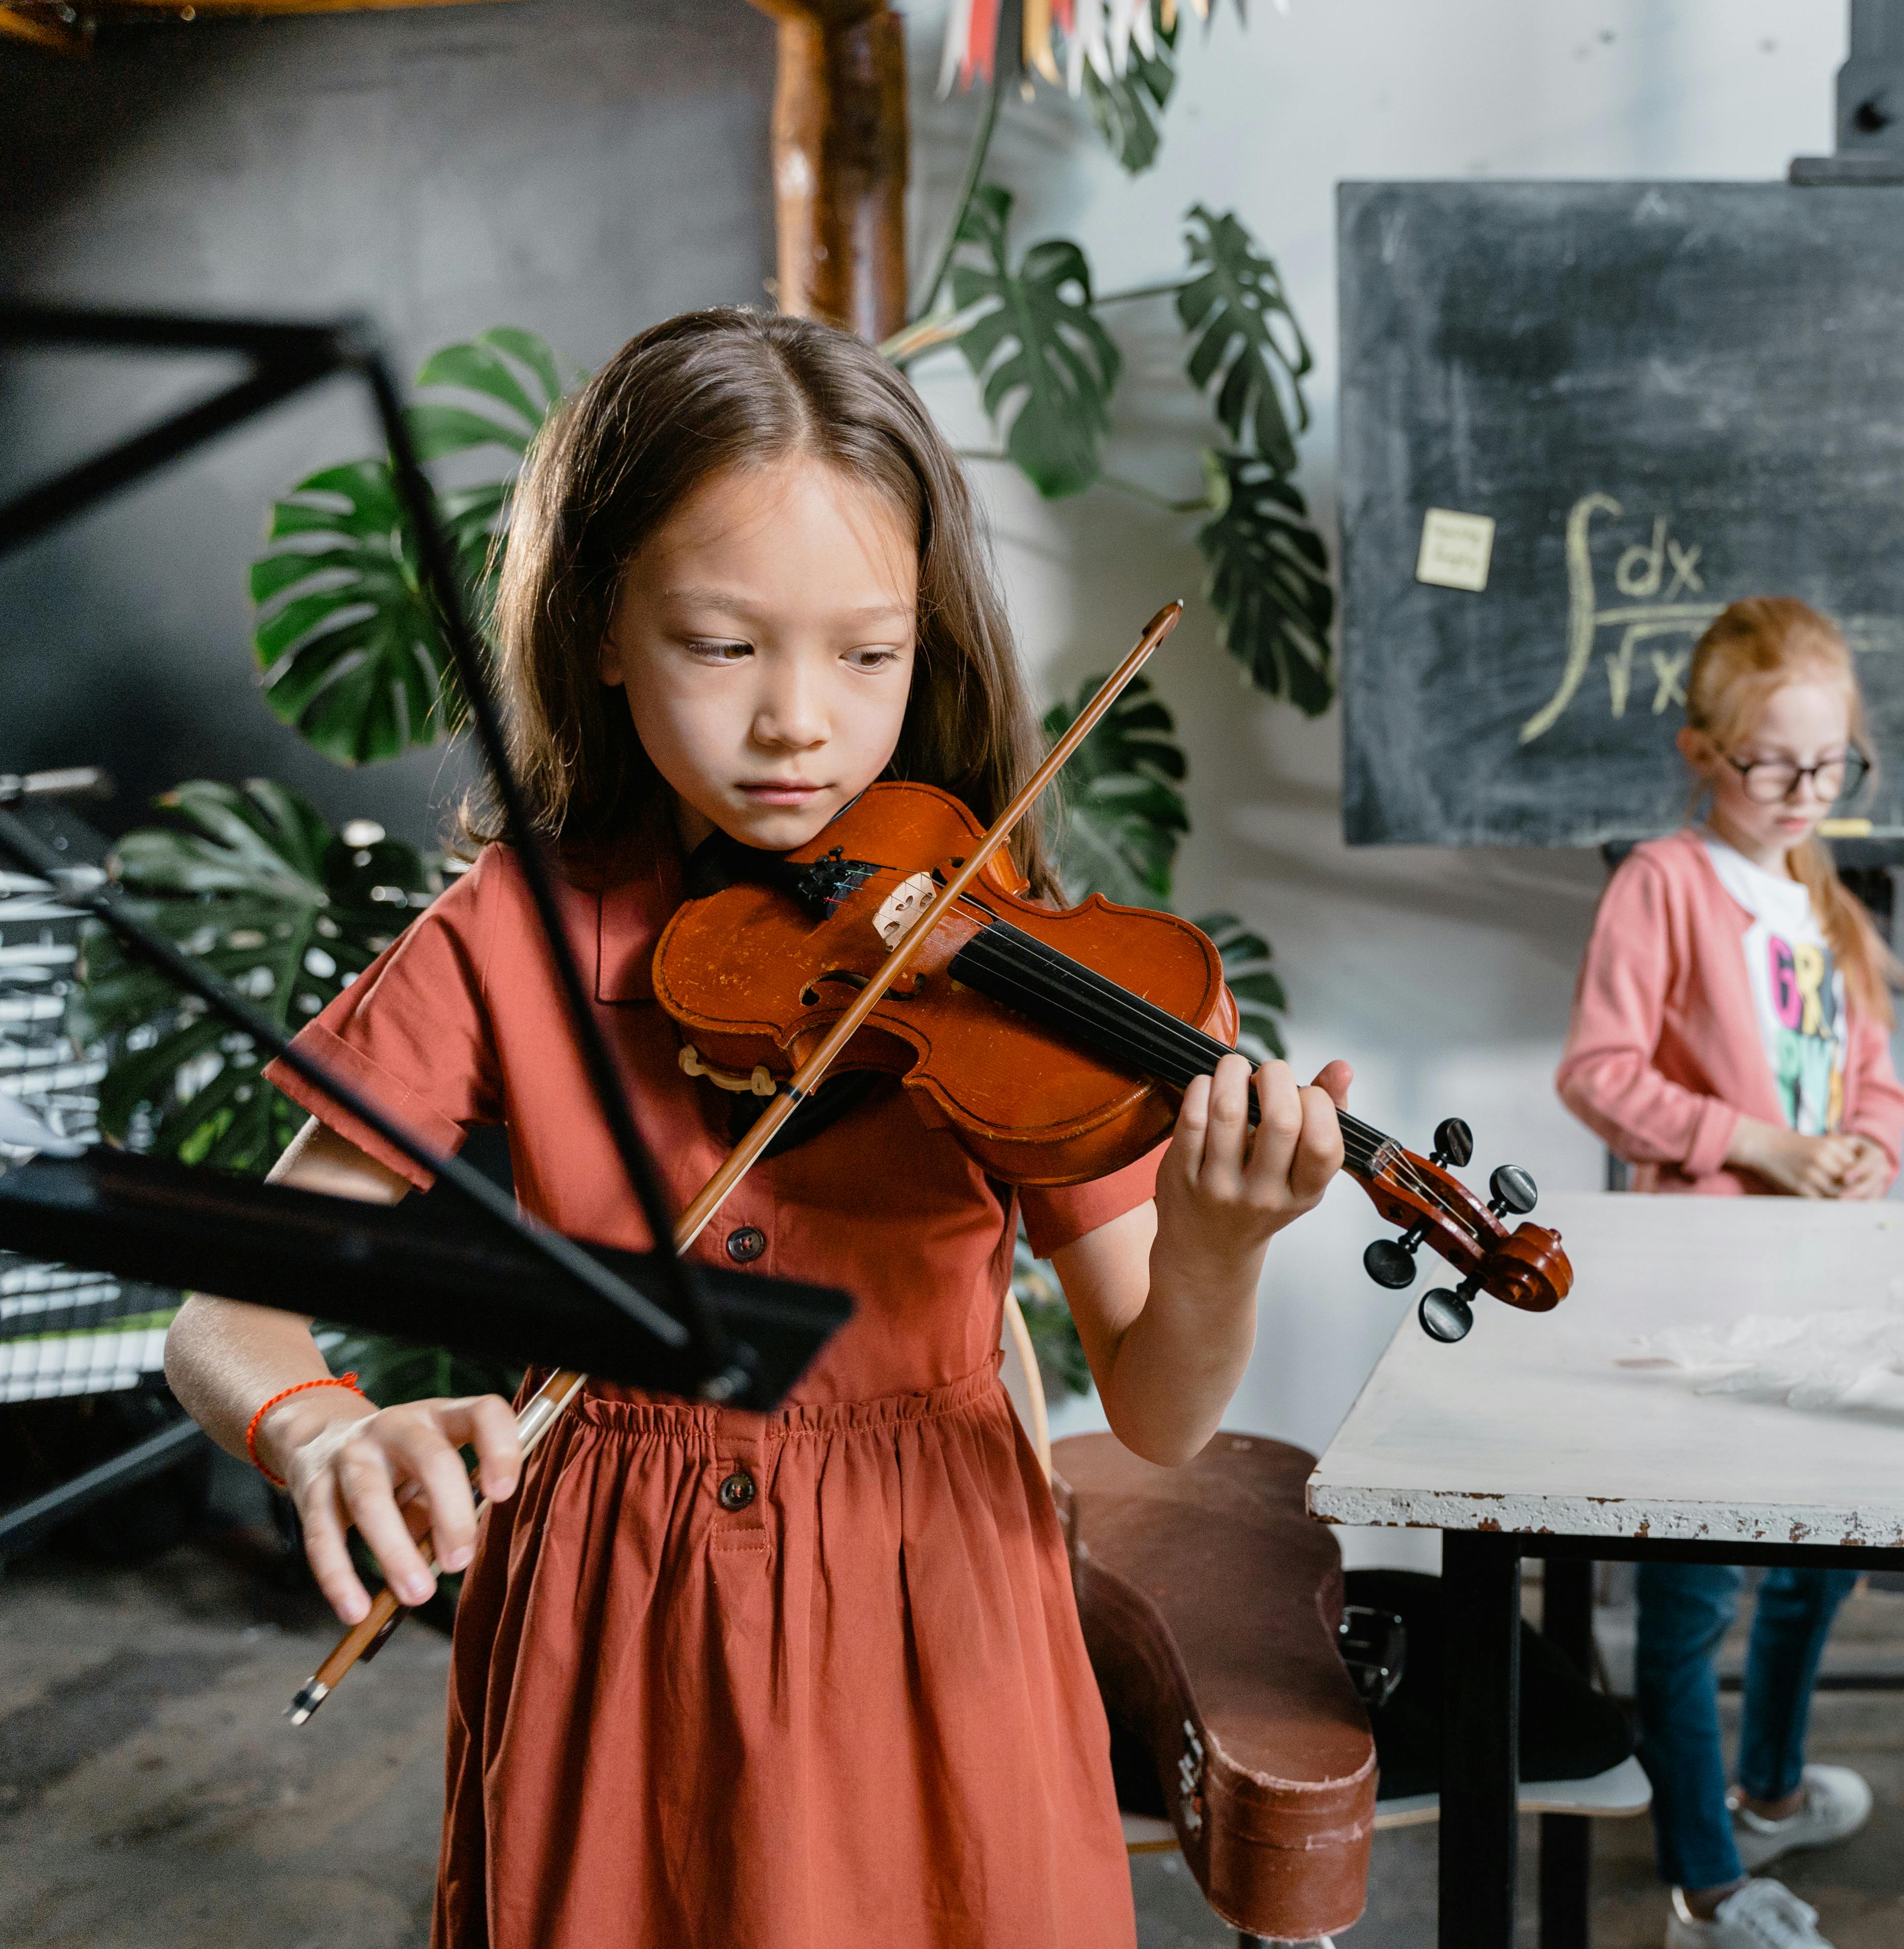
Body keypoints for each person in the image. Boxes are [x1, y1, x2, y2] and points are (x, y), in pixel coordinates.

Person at [159, 309, 1350, 1947]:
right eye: (725, 645)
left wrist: (1218, 1250)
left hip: (942, 1606)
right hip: (617, 1618)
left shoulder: (1004, 962)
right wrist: (317, 1425)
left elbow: (1154, 1406)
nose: (801, 719)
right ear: (600, 630)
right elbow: (221, 1304)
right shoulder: (512, 934)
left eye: (868, 655)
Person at [1555, 597, 1904, 1949]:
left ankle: (1764, 1789)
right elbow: (1597, 1072)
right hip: (1706, 1287)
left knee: (1817, 1559)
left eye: (1830, 767)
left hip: (1824, 1285)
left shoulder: (1819, 887)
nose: (1805, 792)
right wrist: (1754, 1139)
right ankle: (1705, 1880)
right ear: (1701, 751)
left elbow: (1875, 1075)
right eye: (1773, 766)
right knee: (1694, 1584)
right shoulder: (1664, 880)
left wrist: (1867, 1145)